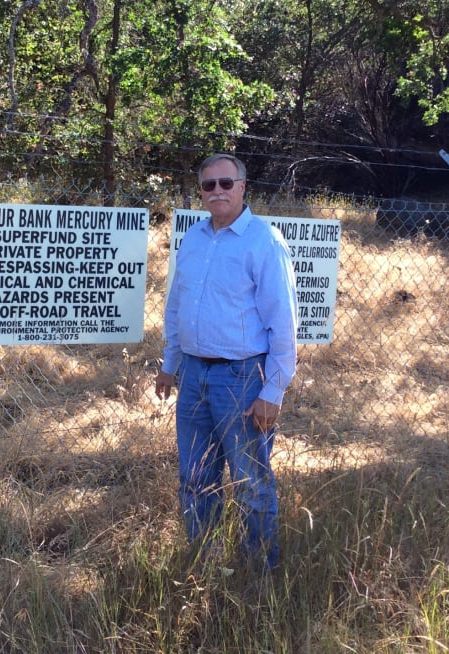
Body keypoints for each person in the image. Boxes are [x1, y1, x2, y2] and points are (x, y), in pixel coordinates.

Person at [155, 153, 298, 570]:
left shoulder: (264, 242)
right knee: (196, 478)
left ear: (242, 187)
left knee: (251, 481)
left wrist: (273, 391)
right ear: (200, 192)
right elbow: (177, 306)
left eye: (225, 183)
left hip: (242, 380)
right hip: (194, 375)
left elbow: (284, 324)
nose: (216, 191)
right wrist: (170, 363)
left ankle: (257, 571)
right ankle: (205, 563)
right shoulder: (194, 240)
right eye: (208, 185)